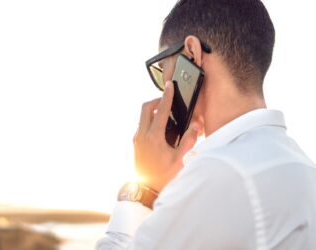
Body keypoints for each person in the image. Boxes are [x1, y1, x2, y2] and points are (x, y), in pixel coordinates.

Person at [96, 0, 316, 249]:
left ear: (191, 54)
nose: (162, 85)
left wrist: (144, 192)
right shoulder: (303, 168)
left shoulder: (219, 173)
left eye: (163, 70)